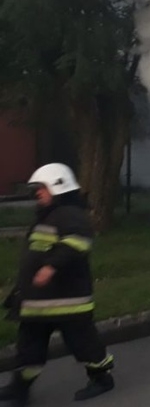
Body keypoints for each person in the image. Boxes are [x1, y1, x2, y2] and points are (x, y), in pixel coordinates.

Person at [0, 163, 114, 405]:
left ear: (58, 186)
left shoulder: (70, 214)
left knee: (84, 346)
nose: (36, 193)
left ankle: (102, 378)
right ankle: (20, 389)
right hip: (38, 304)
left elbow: (78, 243)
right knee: (28, 350)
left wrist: (51, 267)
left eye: (41, 188)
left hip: (68, 303)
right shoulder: (48, 216)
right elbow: (34, 257)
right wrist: (20, 292)